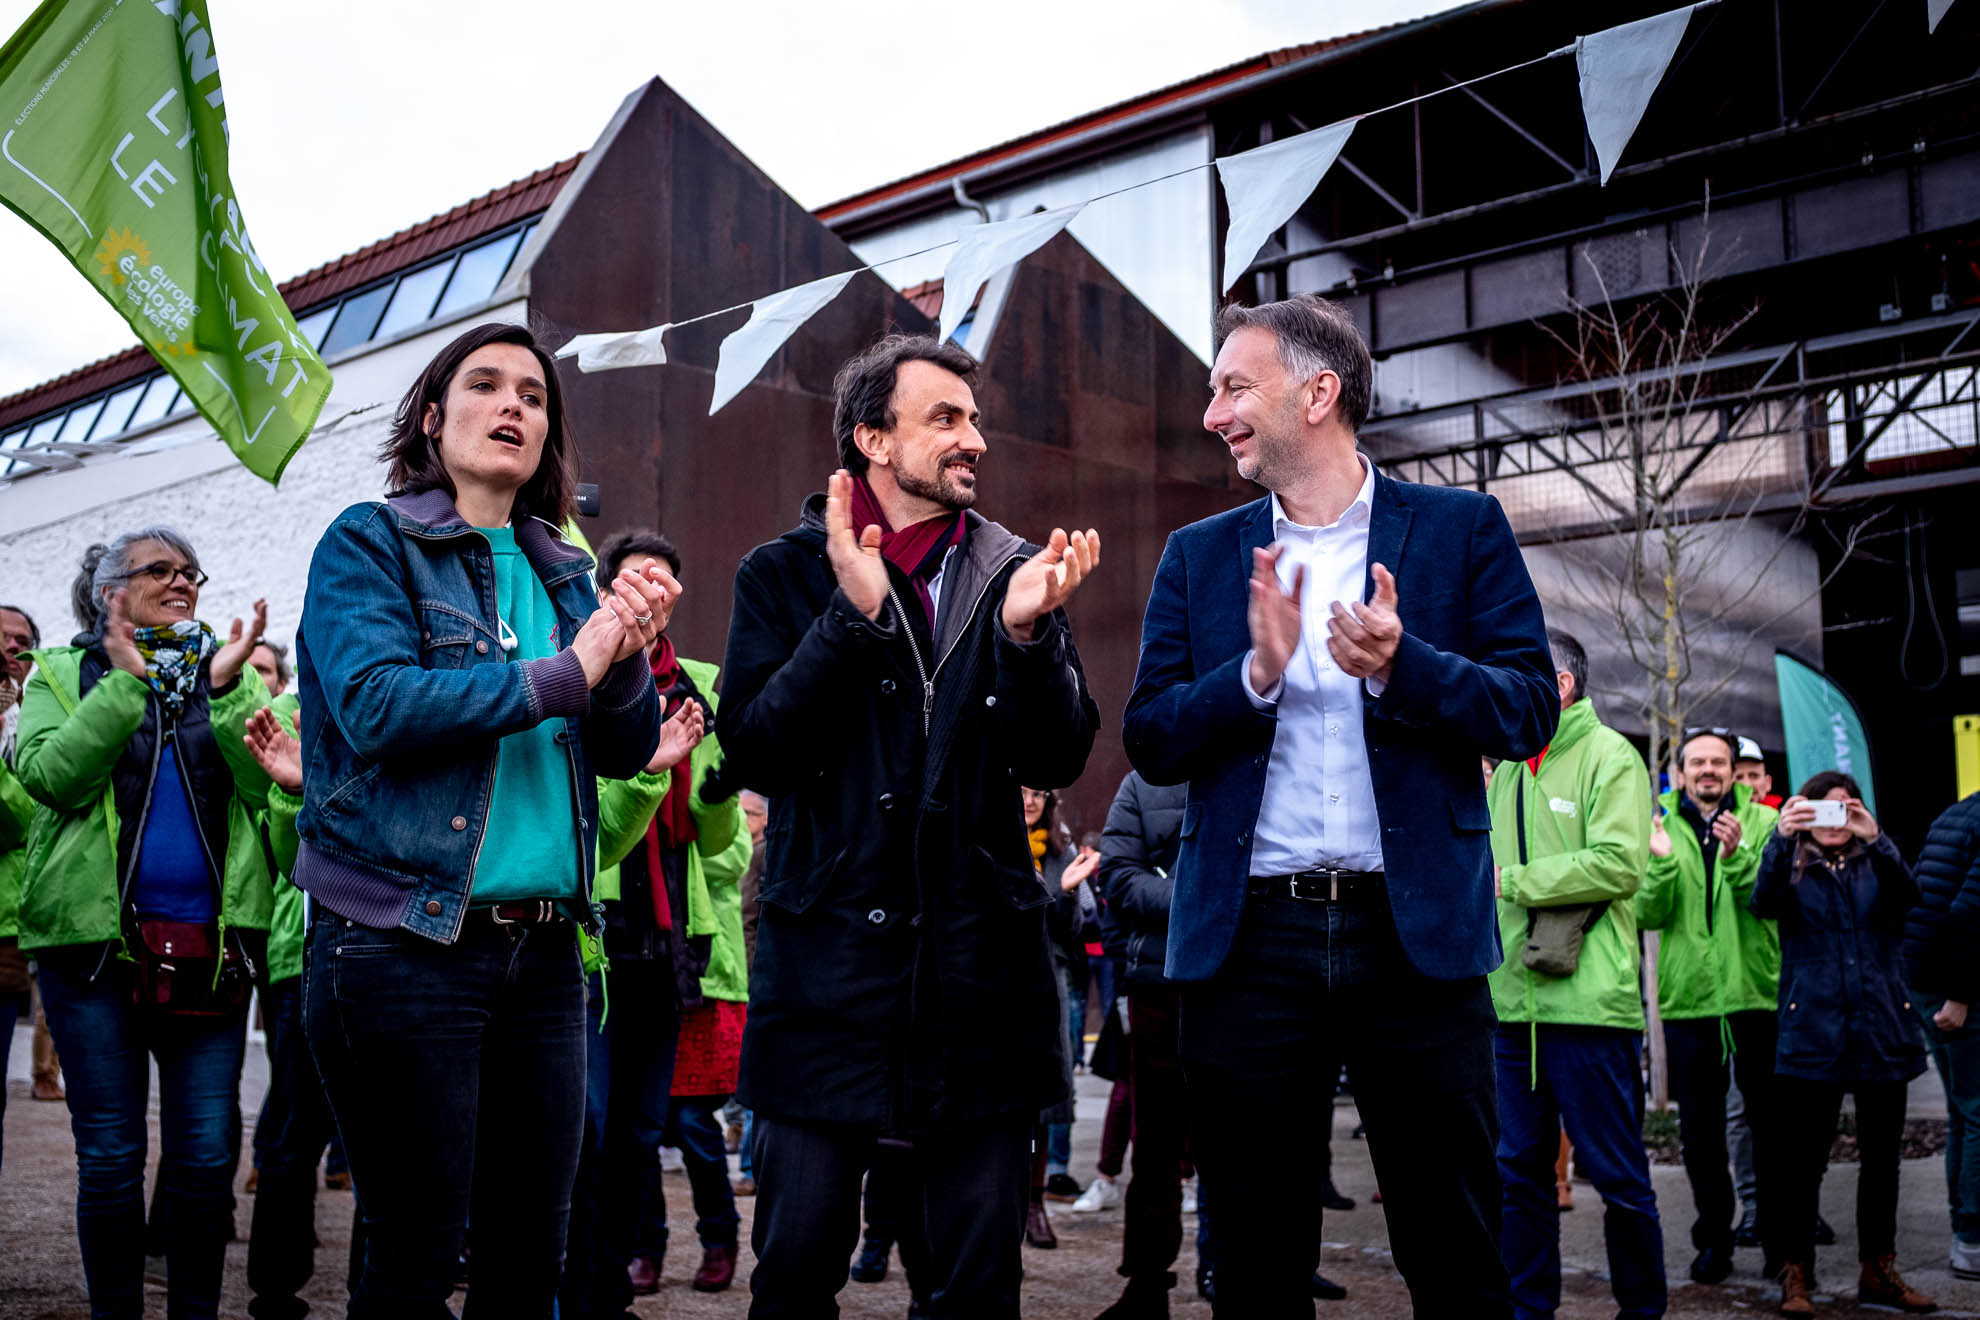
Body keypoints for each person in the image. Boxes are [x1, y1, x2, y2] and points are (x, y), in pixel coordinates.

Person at [1123, 293, 1557, 1318]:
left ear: (1317, 394)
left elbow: (1529, 706)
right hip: (1250, 946)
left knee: (1454, 1248)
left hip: (1417, 945)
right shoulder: (1199, 555)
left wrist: (1408, 666)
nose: (1211, 412)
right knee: (1256, 1259)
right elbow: (1149, 735)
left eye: (1233, 386)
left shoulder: (1460, 531)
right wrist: (1254, 679)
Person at [294, 322, 675, 1315]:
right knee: (417, 1259)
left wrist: (626, 646)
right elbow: (377, 706)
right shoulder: (368, 543)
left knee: (526, 1262)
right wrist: (565, 671)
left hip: (545, 957)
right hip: (400, 943)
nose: (515, 406)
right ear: (432, 415)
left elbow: (627, 751)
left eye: (535, 396)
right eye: (486, 385)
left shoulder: (563, 568)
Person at [721, 332, 1102, 1318]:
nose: (973, 437)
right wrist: (848, 620)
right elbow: (754, 749)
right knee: (797, 1266)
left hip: (980, 986)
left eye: (974, 419)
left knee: (973, 1285)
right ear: (873, 439)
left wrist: (1024, 640)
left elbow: (1057, 756)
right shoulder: (782, 574)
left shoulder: (1015, 571)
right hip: (827, 981)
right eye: (945, 418)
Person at [16, 530, 278, 1319]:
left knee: (204, 1157)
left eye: (189, 571)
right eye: (158, 570)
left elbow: (265, 789)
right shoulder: (62, 674)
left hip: (210, 951)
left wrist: (228, 691)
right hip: (92, 955)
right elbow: (49, 778)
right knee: (110, 1157)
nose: (182, 582)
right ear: (110, 593)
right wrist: (126, 686)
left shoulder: (222, 674)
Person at [1487, 628, 1664, 1320]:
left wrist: (1516, 881)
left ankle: (1641, 1312)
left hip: (1589, 1009)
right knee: (1518, 1178)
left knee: (1618, 1178)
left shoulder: (1611, 756)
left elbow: (1622, 862)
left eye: (1513, 677)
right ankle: (1529, 1311)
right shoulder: (1504, 768)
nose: (1500, 692)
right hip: (1510, 1009)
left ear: (1559, 684)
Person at [601, 529, 754, 1298]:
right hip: (599, 929)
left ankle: (681, 1252)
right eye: (634, 580)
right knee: (599, 1128)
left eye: (662, 580)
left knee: (660, 1126)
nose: (649, 593)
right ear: (605, 594)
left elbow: (724, 844)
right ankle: (630, 1255)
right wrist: (646, 767)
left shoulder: (700, 687)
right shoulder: (584, 677)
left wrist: (717, 792)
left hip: (673, 938)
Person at [1753, 773, 1935, 1316]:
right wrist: (1780, 839)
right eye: (1820, 809)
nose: (1833, 820)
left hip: (1882, 1027)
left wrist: (1877, 837)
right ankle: (1795, 1271)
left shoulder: (1876, 861)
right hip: (1813, 1030)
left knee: (1883, 1161)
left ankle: (1878, 1269)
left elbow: (1910, 898)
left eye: (1843, 808)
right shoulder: (1792, 866)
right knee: (1803, 1162)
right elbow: (1763, 902)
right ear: (1802, 813)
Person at [1636, 727, 1781, 1284]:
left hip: (1755, 994)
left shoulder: (1764, 822)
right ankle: (1714, 1239)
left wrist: (1738, 854)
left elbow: (1769, 902)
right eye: (1697, 762)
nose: (1708, 771)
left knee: (1770, 1129)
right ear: (1680, 773)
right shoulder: (1658, 827)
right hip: (1690, 1001)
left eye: (1718, 762)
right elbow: (1648, 913)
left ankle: (1775, 1239)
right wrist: (1665, 863)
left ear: (1731, 768)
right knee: (1700, 1135)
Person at [1087, 767, 1199, 1317]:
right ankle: (1146, 1285)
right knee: (1154, 1149)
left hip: (1248, 987)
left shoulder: (1267, 761)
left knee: (1254, 1146)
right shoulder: (1143, 783)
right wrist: (1206, 898)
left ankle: (1241, 1275)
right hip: (1160, 987)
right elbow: (1118, 878)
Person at [1903, 789, 1980, 1281]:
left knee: (1964, 1111)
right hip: (1958, 988)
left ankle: (1964, 1232)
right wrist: (1960, 993)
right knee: (1977, 1113)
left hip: (1933, 981)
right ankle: (1971, 1241)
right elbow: (1970, 913)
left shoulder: (1958, 811)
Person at [1734, 737, 1783, 810]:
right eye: (1738, 777)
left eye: (1754, 776)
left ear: (1768, 782)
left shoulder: (1784, 818)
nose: (1747, 784)